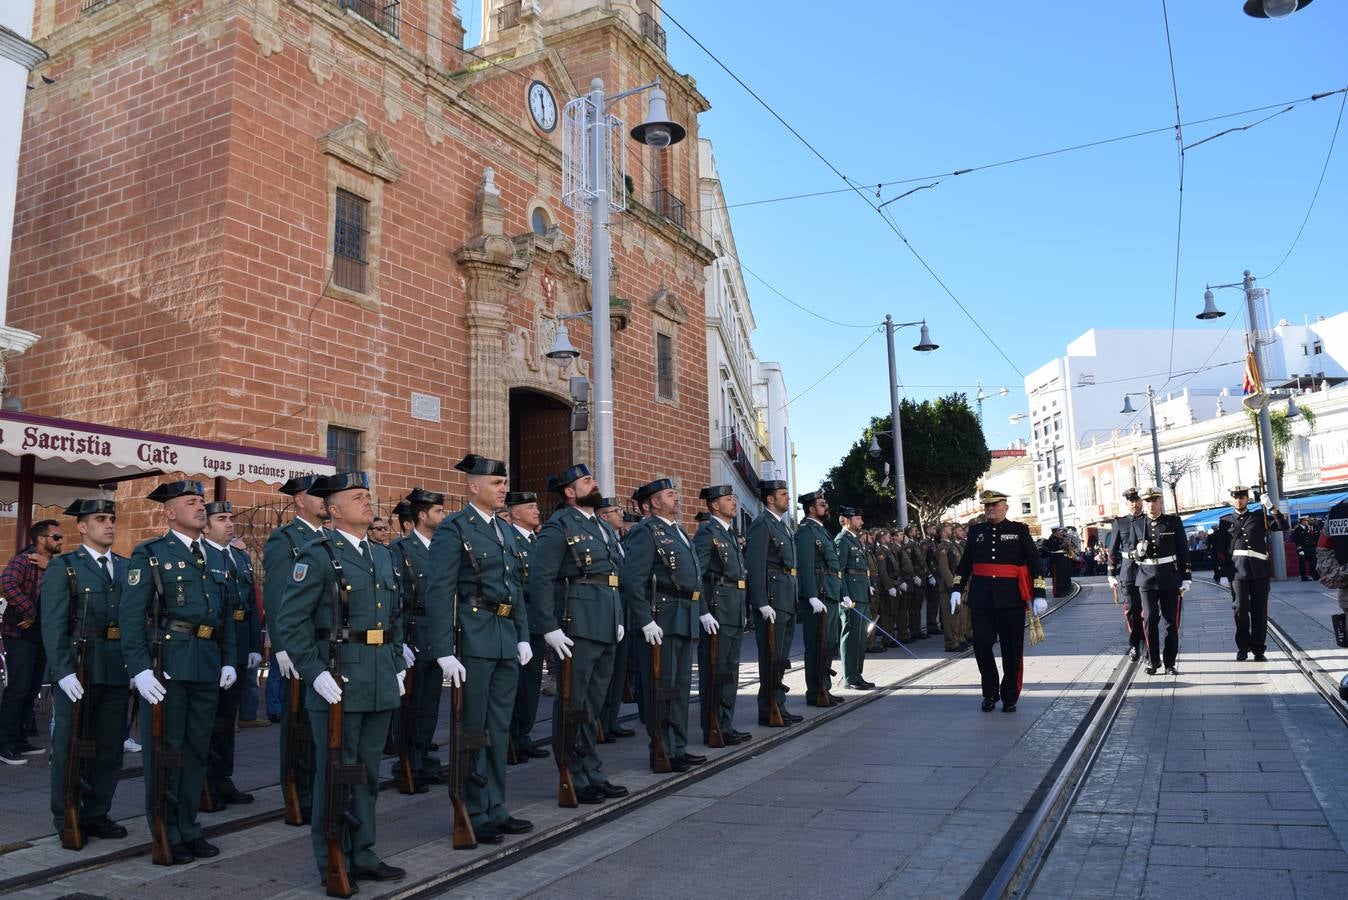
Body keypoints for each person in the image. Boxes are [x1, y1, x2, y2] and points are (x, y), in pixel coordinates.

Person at [276, 471, 408, 884]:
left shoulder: (383, 555)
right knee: (335, 771)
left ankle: (364, 851)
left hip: (378, 677)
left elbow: (395, 617)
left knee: (368, 772)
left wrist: (397, 664)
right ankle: (333, 857)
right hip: (338, 678)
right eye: (357, 497)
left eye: (368, 495)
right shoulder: (316, 555)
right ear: (333, 510)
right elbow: (291, 622)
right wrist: (313, 673)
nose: (368, 502)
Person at [120, 481, 237, 864]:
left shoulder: (217, 557)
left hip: (206, 661)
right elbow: (132, 616)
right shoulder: (152, 554)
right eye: (191, 502)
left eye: (202, 502)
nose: (201, 507)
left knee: (196, 751)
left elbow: (227, 617)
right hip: (168, 663)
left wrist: (229, 659)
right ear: (170, 512)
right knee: (166, 752)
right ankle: (165, 831)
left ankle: (188, 827)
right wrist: (139, 668)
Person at [427, 455, 533, 843]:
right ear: (473, 487)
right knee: (473, 728)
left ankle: (495, 805)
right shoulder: (456, 528)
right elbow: (439, 589)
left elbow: (515, 588)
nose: (503, 488)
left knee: (498, 728)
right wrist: (443, 649)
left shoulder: (504, 531)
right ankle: (473, 810)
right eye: (496, 483)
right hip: (473, 637)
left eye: (504, 482)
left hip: (504, 636)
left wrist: (522, 634)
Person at [527, 464, 628, 804]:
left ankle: (592, 769)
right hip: (578, 624)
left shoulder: (600, 526)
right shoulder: (559, 527)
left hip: (604, 620)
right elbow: (541, 579)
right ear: (570, 492)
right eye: (587, 480)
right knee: (573, 702)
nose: (595, 483)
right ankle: (571, 773)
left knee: (593, 704)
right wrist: (549, 627)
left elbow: (611, 575)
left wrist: (618, 615)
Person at [40, 499, 129, 840]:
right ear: (81, 527)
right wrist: (61, 672)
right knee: (70, 746)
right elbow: (53, 624)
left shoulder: (124, 566)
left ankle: (97, 813)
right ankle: (66, 816)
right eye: (100, 519)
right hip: (79, 668)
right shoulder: (65, 568)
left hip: (116, 667)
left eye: (111, 519)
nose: (109, 525)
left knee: (109, 747)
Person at [622, 478, 708, 772]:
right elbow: (633, 580)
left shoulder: (678, 531)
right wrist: (645, 620)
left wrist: (701, 611)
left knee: (680, 687)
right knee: (662, 687)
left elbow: (693, 576)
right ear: (653, 503)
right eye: (669, 494)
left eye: (675, 493)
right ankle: (662, 747)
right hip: (662, 618)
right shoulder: (646, 532)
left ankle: (678, 747)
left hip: (683, 616)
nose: (676, 497)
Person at [262, 474, 327, 823]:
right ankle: (296, 794)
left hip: (325, 645)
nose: (325, 501)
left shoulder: (329, 538)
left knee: (320, 724)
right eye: (318, 495)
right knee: (298, 722)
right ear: (300, 500)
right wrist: (283, 646)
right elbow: (276, 596)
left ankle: (316, 789)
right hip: (299, 645)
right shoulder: (285, 539)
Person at [951, 490, 1046, 713]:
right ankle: (990, 692)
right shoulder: (975, 532)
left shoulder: (1019, 530)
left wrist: (1039, 593)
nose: (990, 509)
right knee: (982, 644)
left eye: (994, 505)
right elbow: (965, 564)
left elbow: (1035, 564)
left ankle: (1010, 695)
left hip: (1011, 600)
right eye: (987, 506)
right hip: (981, 599)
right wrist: (956, 587)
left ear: (1005, 507)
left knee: (1011, 649)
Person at [202, 501, 261, 809]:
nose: (229, 523)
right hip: (213, 646)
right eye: (221, 518)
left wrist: (253, 644)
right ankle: (205, 781)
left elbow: (250, 603)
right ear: (205, 524)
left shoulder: (239, 556)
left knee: (227, 718)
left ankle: (223, 777)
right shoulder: (203, 556)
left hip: (238, 641)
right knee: (208, 719)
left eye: (230, 518)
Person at [389, 487, 448, 789]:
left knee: (430, 706)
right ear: (422, 515)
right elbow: (395, 602)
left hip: (436, 634)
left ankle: (424, 760)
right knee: (409, 708)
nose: (443, 515)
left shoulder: (441, 548)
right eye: (438, 511)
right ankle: (406, 765)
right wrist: (399, 643)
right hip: (413, 633)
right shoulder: (400, 551)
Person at [693, 485, 752, 743]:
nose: (733, 503)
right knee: (715, 672)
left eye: (733, 498)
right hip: (718, 612)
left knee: (730, 671)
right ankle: (713, 726)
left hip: (733, 610)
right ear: (715, 505)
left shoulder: (727, 533)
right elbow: (697, 576)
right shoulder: (708, 533)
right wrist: (703, 611)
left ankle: (725, 724)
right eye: (728, 499)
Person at [0, 519, 61, 765]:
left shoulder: (53, 564)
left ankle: (20, 738)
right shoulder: (23, 560)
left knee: (32, 688)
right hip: (19, 635)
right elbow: (7, 584)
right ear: (41, 539)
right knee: (18, 688)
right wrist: (30, 612)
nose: (60, 541)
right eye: (55, 537)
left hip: (39, 635)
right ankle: (5, 744)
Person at [745, 479, 801, 727]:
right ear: (770, 499)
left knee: (781, 657)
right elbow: (755, 566)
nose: (788, 498)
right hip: (772, 599)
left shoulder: (782, 526)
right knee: (771, 656)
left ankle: (780, 704)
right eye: (783, 494)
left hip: (786, 596)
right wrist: (760, 602)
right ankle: (768, 707)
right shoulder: (761, 525)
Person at [1211, 485, 1287, 662]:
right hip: (1237, 572)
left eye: (1242, 497)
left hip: (1259, 570)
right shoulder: (1225, 521)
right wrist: (1221, 573)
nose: (1239, 500)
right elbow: (1220, 550)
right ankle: (1243, 647)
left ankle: (1259, 649)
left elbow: (1283, 525)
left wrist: (1271, 507)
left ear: (1247, 499)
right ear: (1232, 499)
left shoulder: (1259, 516)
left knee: (1259, 611)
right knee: (1240, 610)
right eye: (1236, 497)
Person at [1133, 488, 1191, 676]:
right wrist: (1138, 552)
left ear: (1160, 502)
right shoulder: (1137, 523)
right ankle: (1152, 660)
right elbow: (1128, 551)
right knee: (1150, 619)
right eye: (1148, 501)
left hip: (1169, 577)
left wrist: (1186, 577)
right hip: (1146, 577)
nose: (1151, 504)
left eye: (1154, 501)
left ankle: (1170, 662)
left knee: (1170, 622)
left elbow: (1183, 550)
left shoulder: (1172, 522)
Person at [796, 491, 844, 707]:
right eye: (821, 504)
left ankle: (825, 687)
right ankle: (815, 691)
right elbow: (805, 567)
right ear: (811, 509)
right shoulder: (806, 531)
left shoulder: (821, 530)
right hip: (820, 595)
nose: (826, 507)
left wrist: (842, 593)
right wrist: (811, 596)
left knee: (828, 644)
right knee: (816, 644)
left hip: (830, 593)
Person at [595, 496, 637, 744]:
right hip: (610, 607)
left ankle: (611, 720)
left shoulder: (618, 540)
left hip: (622, 607)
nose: (620, 514)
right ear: (603, 516)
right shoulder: (602, 539)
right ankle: (601, 722)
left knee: (618, 669)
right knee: (605, 673)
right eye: (615, 511)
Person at [834, 507, 874, 689]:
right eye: (858, 519)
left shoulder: (854, 540)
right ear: (847, 520)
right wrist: (844, 594)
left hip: (861, 594)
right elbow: (839, 570)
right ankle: (849, 677)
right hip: (851, 596)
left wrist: (868, 587)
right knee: (851, 636)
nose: (862, 522)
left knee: (860, 637)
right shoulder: (842, 540)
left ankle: (857, 674)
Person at [1107, 488, 1147, 662]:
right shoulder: (1120, 522)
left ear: (1141, 501)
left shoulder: (1147, 520)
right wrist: (1111, 573)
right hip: (1128, 571)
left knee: (1148, 612)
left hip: (1147, 570)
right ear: (1126, 503)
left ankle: (1148, 646)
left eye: (1136, 500)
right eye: (1130, 500)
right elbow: (1113, 549)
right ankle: (1134, 644)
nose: (1134, 503)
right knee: (1131, 610)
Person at [936, 524, 967, 652]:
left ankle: (958, 639)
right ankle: (951, 643)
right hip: (948, 586)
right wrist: (953, 585)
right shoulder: (943, 547)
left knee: (958, 615)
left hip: (956, 584)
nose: (951, 531)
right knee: (950, 616)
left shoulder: (952, 545)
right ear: (943, 532)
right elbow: (944, 568)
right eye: (949, 529)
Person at [1291, 517, 1319, 582]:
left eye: (1307, 520)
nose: (1307, 521)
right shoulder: (1297, 529)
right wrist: (1299, 550)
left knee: (1313, 562)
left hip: (1310, 548)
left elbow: (1311, 538)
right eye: (1306, 520)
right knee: (1302, 563)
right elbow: (1297, 541)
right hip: (1303, 549)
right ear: (1302, 521)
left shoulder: (1307, 528)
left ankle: (1315, 575)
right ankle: (1303, 577)